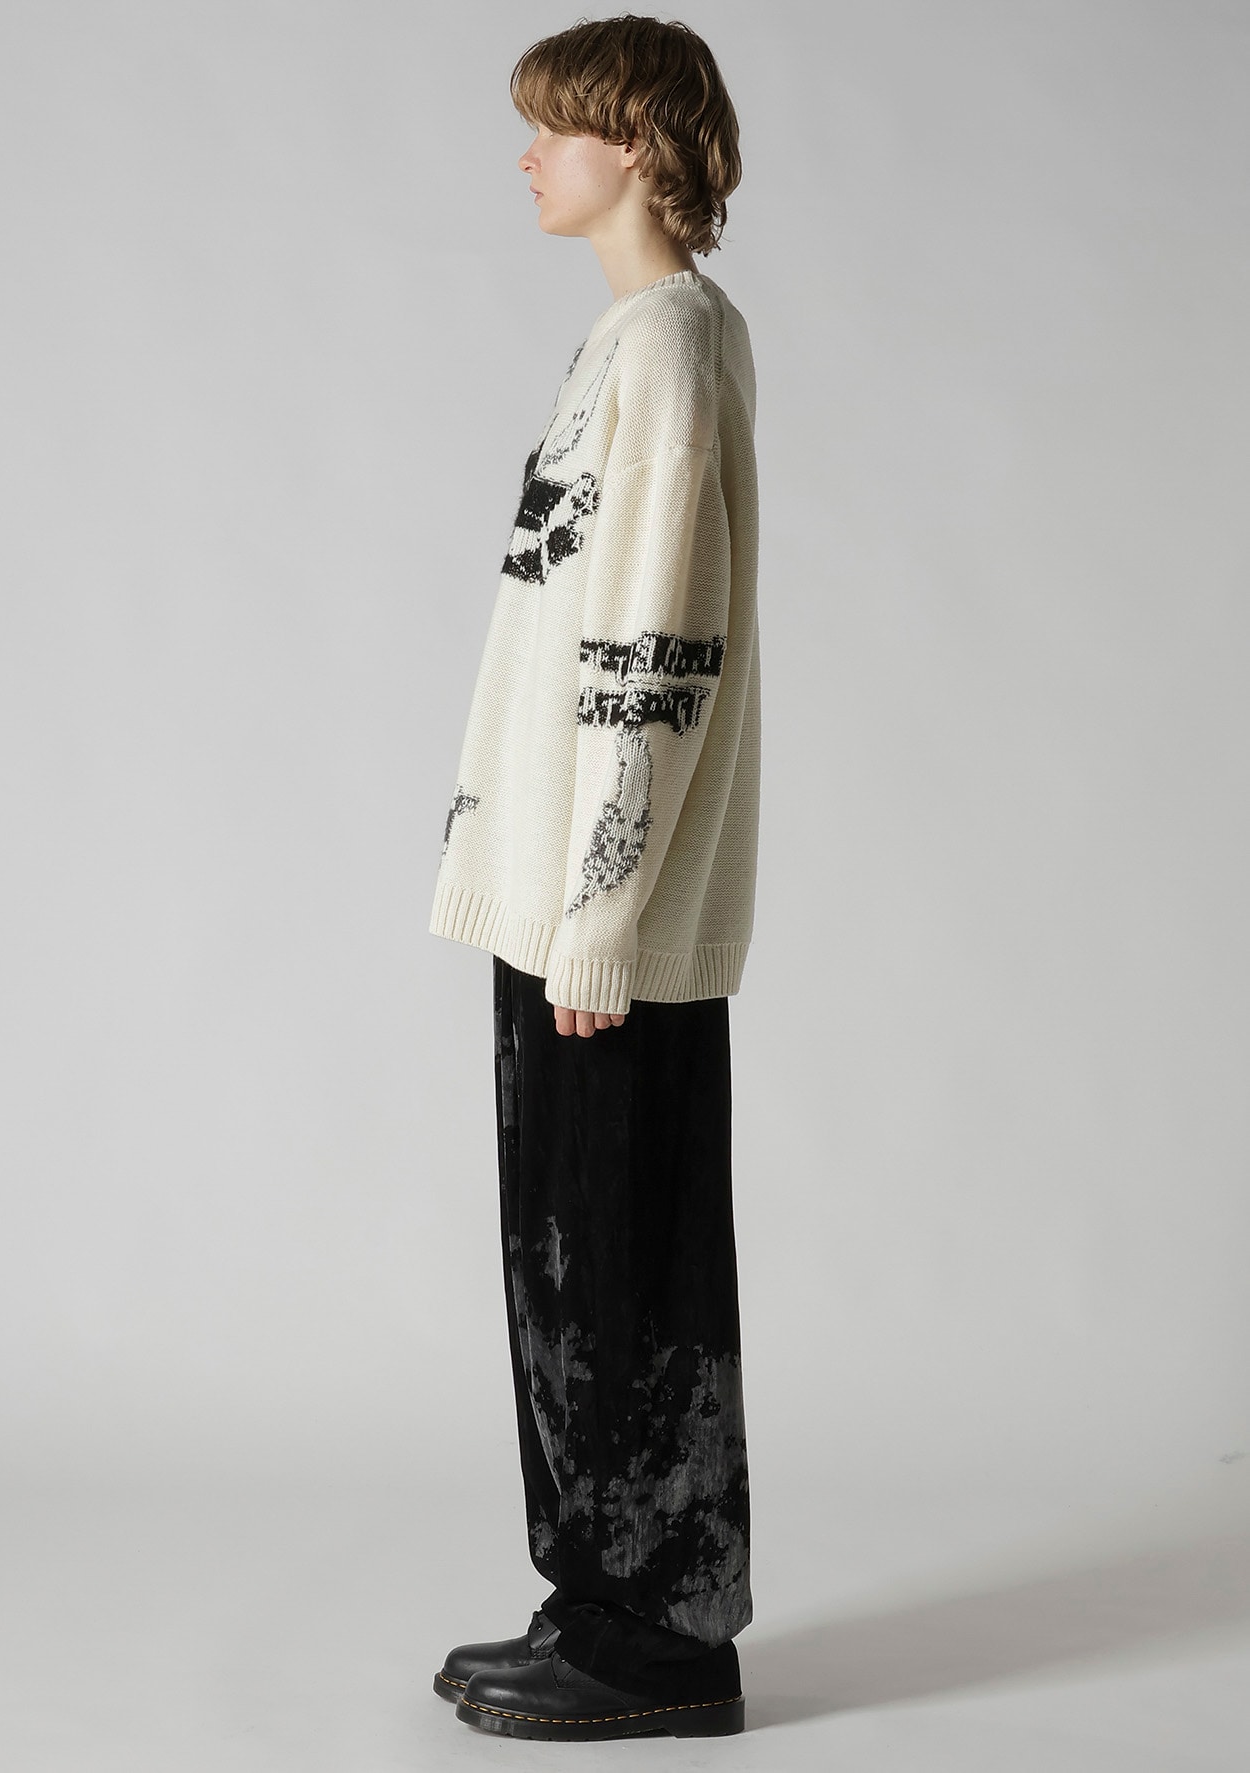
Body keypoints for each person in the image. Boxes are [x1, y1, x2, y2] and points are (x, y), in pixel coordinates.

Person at [426, 13, 762, 1744]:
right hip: (555, 894)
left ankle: (661, 1635)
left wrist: (604, 912)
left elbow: (655, 652)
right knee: (565, 1261)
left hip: (597, 916)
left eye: (553, 127)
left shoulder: (675, 351)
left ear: (633, 143)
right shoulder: (627, 344)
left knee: (621, 1260)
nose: (528, 155)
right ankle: (603, 1589)